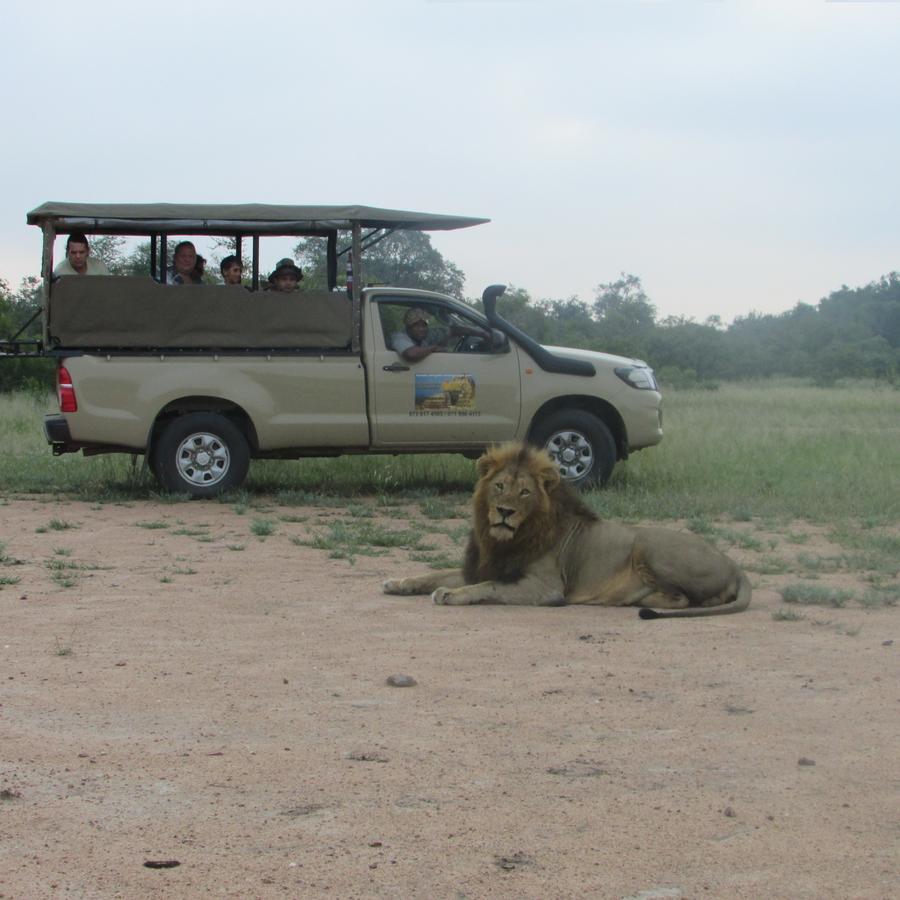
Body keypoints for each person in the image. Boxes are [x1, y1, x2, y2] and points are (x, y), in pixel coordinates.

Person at [390, 307, 489, 363]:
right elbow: (411, 354)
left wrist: (482, 333)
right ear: (408, 327)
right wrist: (434, 348)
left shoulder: (426, 335)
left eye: (424, 325)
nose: (421, 329)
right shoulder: (399, 337)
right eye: (416, 326)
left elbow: (454, 330)